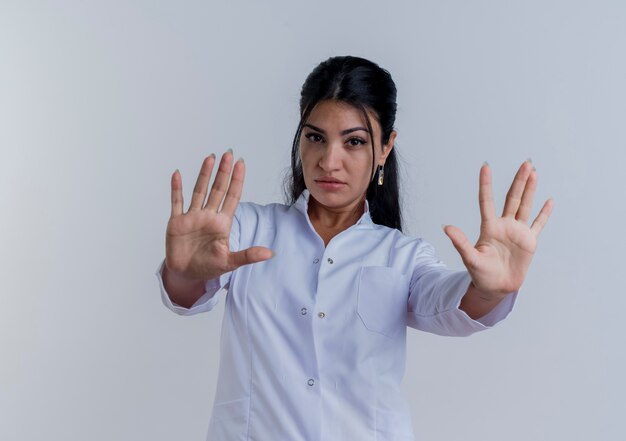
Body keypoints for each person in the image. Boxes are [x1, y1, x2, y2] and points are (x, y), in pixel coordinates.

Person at [155, 55, 554, 440]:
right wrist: (183, 273)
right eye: (315, 137)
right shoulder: (246, 229)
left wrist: (490, 289)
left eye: (355, 142)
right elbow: (187, 293)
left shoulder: (402, 257)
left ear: (384, 147)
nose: (330, 161)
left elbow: (450, 303)